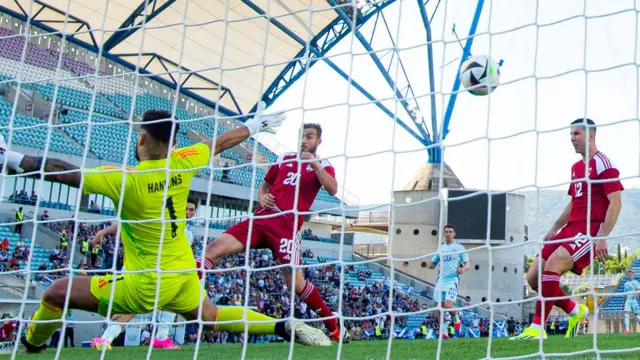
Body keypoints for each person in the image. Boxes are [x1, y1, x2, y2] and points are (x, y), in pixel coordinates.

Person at [1, 105, 330, 354]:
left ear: (141, 138)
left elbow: (61, 171)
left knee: (56, 291)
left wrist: (10, 156)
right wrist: (255, 125)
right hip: (183, 275)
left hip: (143, 284)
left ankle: (31, 347)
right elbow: (220, 143)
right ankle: (283, 324)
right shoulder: (184, 160)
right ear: (173, 142)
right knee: (210, 314)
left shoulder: (125, 179)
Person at [196, 123, 342, 341]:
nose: (304, 140)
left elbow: (333, 189)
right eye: (302, 136)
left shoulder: (323, 165)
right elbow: (264, 186)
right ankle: (191, 298)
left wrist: (315, 165)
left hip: (286, 228)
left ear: (318, 141)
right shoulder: (284, 158)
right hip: (260, 220)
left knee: (295, 284)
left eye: (310, 137)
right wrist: (262, 197)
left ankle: (333, 326)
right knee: (211, 250)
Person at [511, 118, 623, 340]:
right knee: (533, 277)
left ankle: (537, 328)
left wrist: (602, 237)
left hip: (590, 231)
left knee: (553, 266)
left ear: (591, 135)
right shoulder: (576, 168)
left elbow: (616, 202)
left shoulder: (603, 163)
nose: (572, 139)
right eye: (571, 134)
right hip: (570, 227)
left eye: (577, 134)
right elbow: (575, 201)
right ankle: (574, 310)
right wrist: (555, 227)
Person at [92, 198, 199, 350]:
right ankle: (105, 338)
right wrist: (103, 231)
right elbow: (129, 223)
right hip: (145, 270)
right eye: (186, 209)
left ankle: (161, 337)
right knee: (135, 306)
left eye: (191, 210)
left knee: (173, 300)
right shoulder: (162, 221)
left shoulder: (188, 234)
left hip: (165, 273)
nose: (188, 213)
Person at [426, 224, 469, 338]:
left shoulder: (459, 248)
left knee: (448, 305)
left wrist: (463, 269)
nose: (448, 233)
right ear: (444, 234)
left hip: (452, 280)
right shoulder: (441, 248)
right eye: (446, 232)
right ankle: (444, 332)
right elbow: (433, 264)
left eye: (450, 231)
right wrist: (429, 265)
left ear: (454, 234)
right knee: (439, 307)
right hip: (441, 281)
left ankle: (456, 320)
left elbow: (467, 263)